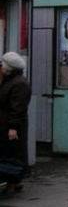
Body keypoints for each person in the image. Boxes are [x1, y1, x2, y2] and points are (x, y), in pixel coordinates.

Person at [0, 52, 31, 193]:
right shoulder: (11, 80)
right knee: (10, 153)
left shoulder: (19, 84)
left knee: (12, 154)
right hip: (7, 123)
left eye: (3, 64)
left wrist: (13, 127)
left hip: (13, 125)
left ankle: (13, 182)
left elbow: (17, 108)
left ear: (9, 67)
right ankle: (13, 181)